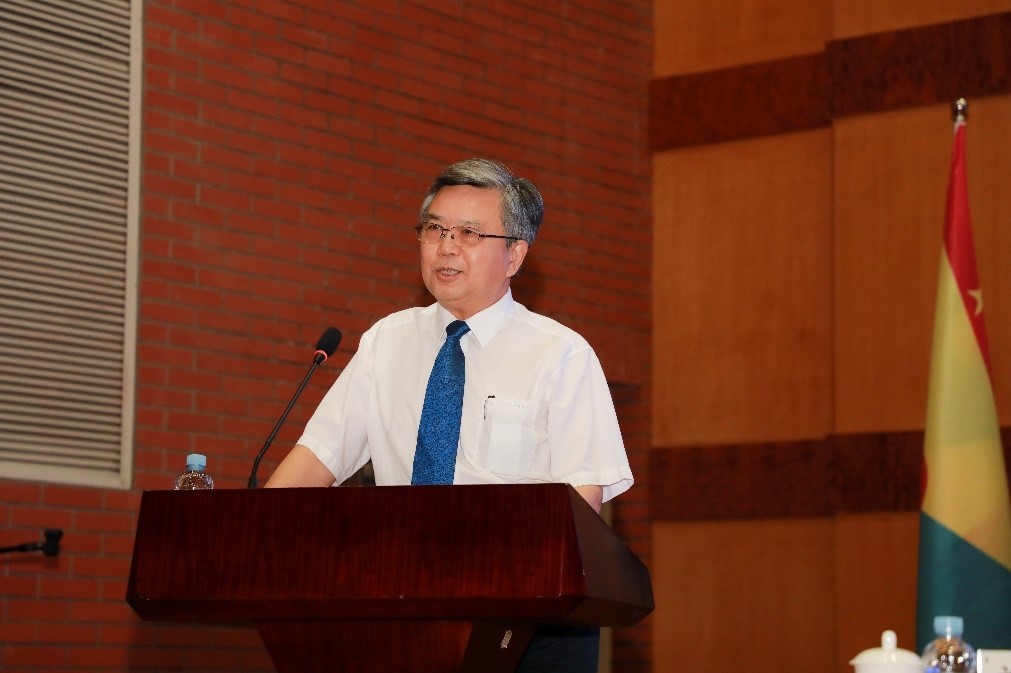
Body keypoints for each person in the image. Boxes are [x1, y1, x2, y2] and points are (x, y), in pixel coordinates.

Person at [265, 158, 633, 672]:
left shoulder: (561, 355)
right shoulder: (386, 342)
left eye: (470, 233)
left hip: (528, 623)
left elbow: (580, 506)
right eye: (435, 229)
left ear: (514, 255)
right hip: (405, 606)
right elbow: (315, 459)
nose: (447, 246)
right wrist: (253, 532)